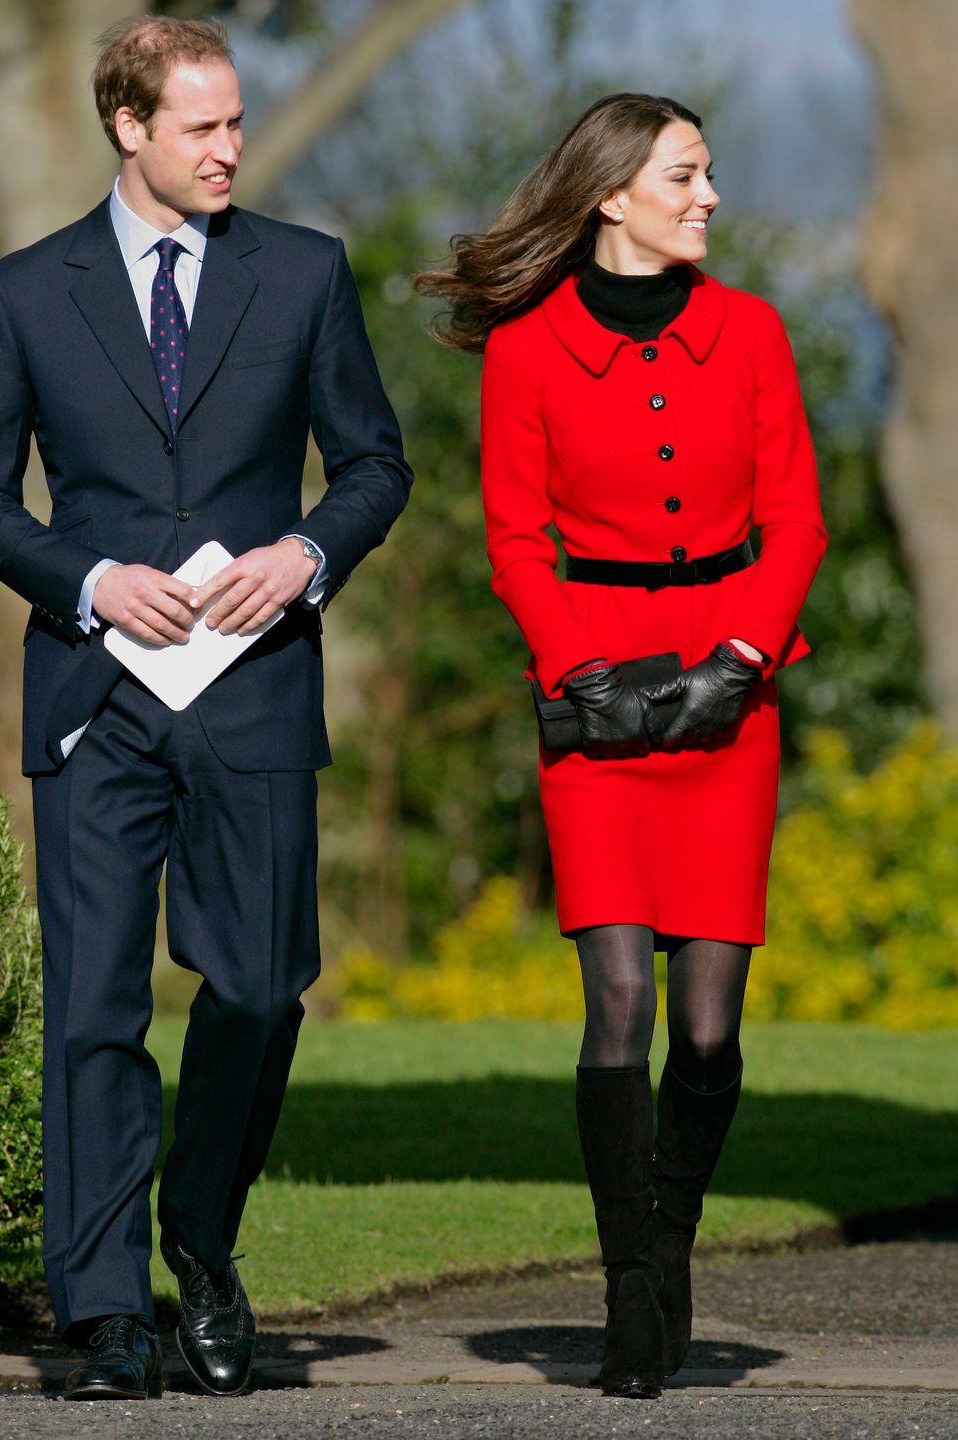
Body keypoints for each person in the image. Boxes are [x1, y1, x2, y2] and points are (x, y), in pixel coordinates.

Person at [0, 16, 411, 1402]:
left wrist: (308, 553)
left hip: (256, 689)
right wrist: (87, 578)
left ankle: (200, 1243)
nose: (230, 149)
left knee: (262, 988)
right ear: (128, 127)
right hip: (97, 697)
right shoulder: (26, 292)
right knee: (92, 1005)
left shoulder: (307, 274)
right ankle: (104, 1313)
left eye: (237, 123)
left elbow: (375, 461)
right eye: (202, 126)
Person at [417, 93, 825, 1398]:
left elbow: (799, 522)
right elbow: (515, 539)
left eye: (708, 174)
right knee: (620, 1001)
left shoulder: (753, 333)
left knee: (705, 1030)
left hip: (730, 680)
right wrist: (578, 668)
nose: (709, 196)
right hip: (593, 693)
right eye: (686, 176)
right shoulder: (528, 352)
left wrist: (743, 662)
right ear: (612, 195)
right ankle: (632, 1289)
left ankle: (672, 1237)